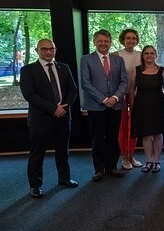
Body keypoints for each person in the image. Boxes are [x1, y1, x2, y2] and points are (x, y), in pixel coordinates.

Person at [19, 39, 78, 198]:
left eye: (51, 48)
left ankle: (64, 178)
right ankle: (35, 185)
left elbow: (73, 89)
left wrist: (63, 106)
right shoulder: (28, 70)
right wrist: (53, 108)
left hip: (63, 116)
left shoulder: (63, 68)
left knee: (62, 151)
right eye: (44, 49)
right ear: (37, 50)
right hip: (41, 119)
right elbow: (29, 95)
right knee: (37, 153)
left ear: (55, 49)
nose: (48, 52)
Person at [80, 29, 128, 182]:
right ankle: (99, 169)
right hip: (96, 106)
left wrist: (114, 98)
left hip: (115, 105)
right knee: (98, 138)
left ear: (110, 42)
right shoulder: (86, 59)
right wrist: (103, 99)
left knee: (113, 137)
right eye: (100, 41)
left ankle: (112, 166)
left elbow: (124, 82)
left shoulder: (118, 60)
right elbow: (85, 83)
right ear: (95, 42)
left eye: (106, 41)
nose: (103, 44)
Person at [130, 45, 164, 173]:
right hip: (141, 105)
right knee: (146, 134)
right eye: (146, 53)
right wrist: (132, 106)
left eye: (152, 53)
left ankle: (157, 161)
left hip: (158, 105)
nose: (149, 55)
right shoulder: (136, 70)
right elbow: (132, 89)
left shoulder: (163, 70)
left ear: (156, 55)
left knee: (157, 133)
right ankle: (148, 161)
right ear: (143, 55)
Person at [115, 29, 143, 170]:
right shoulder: (116, 55)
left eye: (133, 38)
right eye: (128, 38)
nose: (131, 40)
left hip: (136, 95)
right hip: (120, 95)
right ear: (123, 39)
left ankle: (131, 155)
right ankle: (124, 157)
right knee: (122, 127)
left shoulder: (140, 55)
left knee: (133, 127)